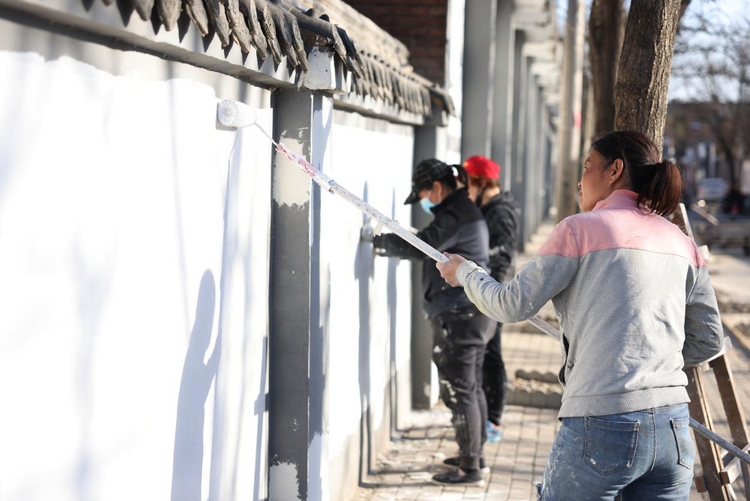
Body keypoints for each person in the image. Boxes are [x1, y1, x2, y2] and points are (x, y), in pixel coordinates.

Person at [436, 131, 724, 500]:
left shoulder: (578, 230)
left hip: (603, 421)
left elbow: (510, 304)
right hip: (672, 427)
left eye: (588, 166)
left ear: (614, 170)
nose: (580, 179)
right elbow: (709, 339)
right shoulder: (681, 242)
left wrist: (465, 274)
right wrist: (649, 363)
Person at [373, 158, 495, 485]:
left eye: (424, 193)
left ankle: (469, 467)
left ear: (437, 188)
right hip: (473, 313)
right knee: (471, 386)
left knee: (460, 390)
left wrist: (379, 241)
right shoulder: (462, 211)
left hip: (460, 315)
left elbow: (420, 247)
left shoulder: (453, 215)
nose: (424, 201)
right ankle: (475, 454)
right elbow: (430, 239)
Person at [463, 155, 520, 443]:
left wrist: (488, 292)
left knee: (492, 353)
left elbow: (503, 257)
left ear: (483, 183)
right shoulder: (491, 207)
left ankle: (493, 419)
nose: (467, 191)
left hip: (494, 293)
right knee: (488, 353)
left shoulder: (501, 212)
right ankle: (489, 416)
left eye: (469, 184)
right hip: (488, 291)